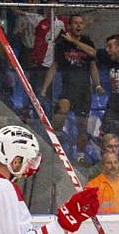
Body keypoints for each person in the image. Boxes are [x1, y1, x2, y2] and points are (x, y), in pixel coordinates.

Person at [39, 14, 101, 162]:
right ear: (70, 26)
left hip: (84, 91)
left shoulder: (87, 42)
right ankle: (53, 146)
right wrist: (44, 88)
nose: (78, 26)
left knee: (82, 127)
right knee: (62, 111)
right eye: (75, 23)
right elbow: (54, 66)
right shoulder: (61, 43)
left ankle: (80, 158)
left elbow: (93, 58)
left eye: (81, 23)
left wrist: (97, 84)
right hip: (67, 88)